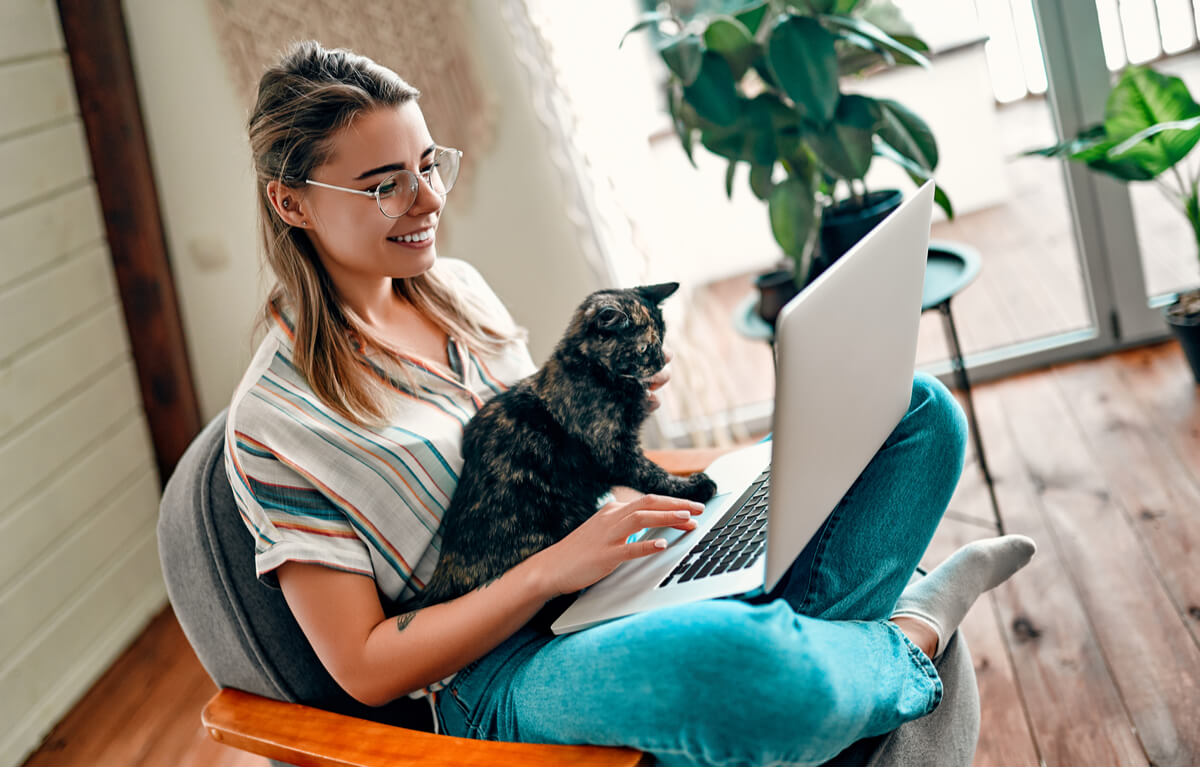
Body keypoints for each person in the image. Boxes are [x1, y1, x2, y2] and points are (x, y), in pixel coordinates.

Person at [225, 40, 1036, 765]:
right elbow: (366, 668)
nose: (429, 201)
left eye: (429, 164)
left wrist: (607, 411)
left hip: (612, 572)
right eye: (384, 186)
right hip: (503, 673)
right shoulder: (278, 424)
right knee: (737, 666)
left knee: (920, 413)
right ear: (291, 202)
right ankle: (902, 641)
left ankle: (798, 675)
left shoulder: (454, 292)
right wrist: (551, 572)